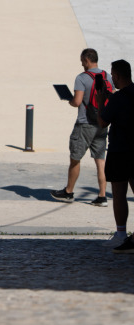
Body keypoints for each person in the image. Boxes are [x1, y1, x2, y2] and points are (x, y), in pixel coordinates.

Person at [51, 48, 114, 206]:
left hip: (84, 123)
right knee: (100, 160)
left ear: (86, 60)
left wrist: (69, 100)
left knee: (75, 159)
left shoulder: (82, 78)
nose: (81, 64)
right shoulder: (108, 76)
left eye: (82, 61)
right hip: (101, 123)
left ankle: (68, 192)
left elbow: (77, 102)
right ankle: (102, 196)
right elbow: (111, 97)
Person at [94, 60, 134, 252]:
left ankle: (120, 234)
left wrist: (102, 102)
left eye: (113, 75)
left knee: (119, 194)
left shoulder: (118, 99)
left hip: (119, 150)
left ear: (117, 76)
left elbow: (102, 122)